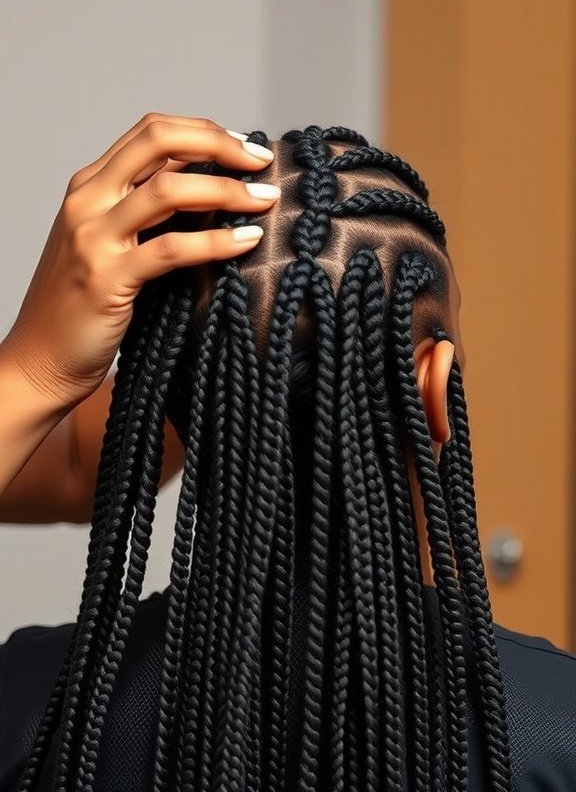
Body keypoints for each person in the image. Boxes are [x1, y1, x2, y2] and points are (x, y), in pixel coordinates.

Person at [1, 116, 575, 791]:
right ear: (434, 391)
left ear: (174, 395)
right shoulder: (554, 729)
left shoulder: (31, 705)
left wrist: (32, 373)